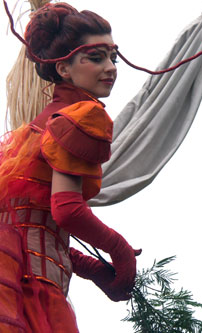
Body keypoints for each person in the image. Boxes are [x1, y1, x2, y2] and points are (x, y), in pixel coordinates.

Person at [0, 3, 138, 332]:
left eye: (113, 57)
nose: (111, 67)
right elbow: (67, 211)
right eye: (95, 57)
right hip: (30, 290)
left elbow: (28, 226)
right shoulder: (84, 117)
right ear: (63, 69)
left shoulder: (26, 135)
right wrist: (121, 252)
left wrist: (89, 267)